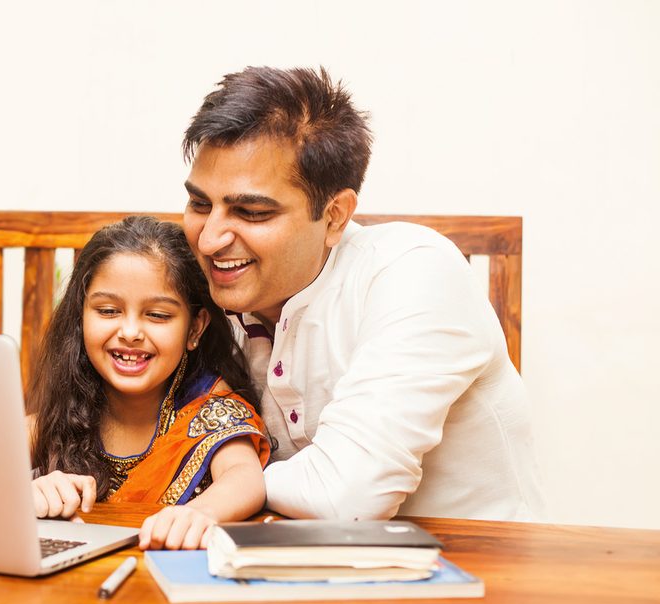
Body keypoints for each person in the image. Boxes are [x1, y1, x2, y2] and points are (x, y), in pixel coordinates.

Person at [180, 66, 545, 521]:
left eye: (251, 212)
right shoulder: (201, 300)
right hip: (279, 557)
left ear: (335, 216)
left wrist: (230, 485)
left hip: (474, 559)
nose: (209, 240)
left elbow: (348, 496)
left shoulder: (415, 270)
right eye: (199, 204)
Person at [26, 215, 271, 549]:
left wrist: (199, 514)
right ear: (81, 317)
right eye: (108, 311)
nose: (130, 332)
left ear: (195, 328)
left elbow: (245, 478)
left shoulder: (210, 409)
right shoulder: (66, 408)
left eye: (157, 315)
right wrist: (26, 492)